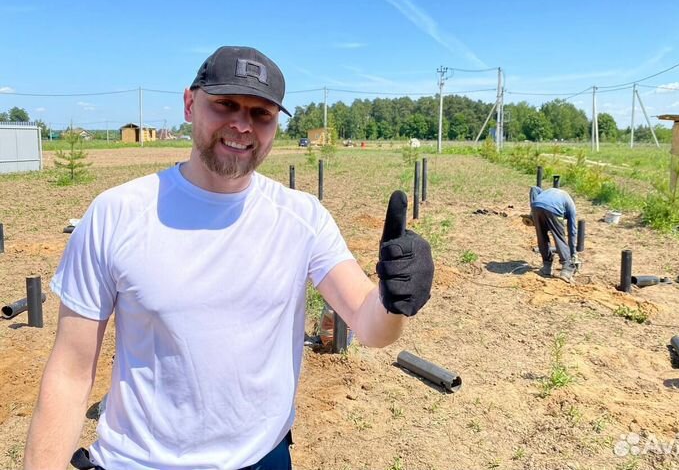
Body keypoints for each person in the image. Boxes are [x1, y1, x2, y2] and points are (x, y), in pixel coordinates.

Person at [24, 46, 434, 470]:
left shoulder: (302, 217)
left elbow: (370, 327)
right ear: (189, 103)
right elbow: (69, 372)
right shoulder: (118, 214)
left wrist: (393, 297)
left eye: (262, 114)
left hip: (265, 457)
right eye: (225, 105)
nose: (242, 125)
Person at [529, 185, 578, 283]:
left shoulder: (551, 192)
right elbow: (572, 231)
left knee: (542, 236)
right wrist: (573, 254)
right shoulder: (571, 205)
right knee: (559, 236)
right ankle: (567, 269)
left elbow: (534, 189)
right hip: (554, 208)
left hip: (536, 206)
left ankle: (546, 267)